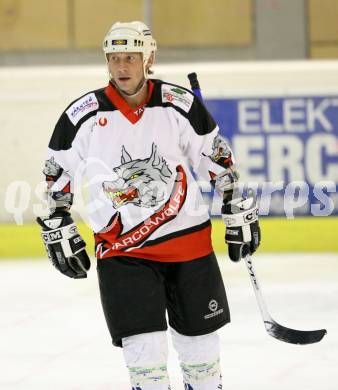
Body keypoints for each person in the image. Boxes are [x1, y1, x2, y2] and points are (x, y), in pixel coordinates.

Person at [37, 21, 261, 390]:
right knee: (146, 358)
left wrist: (233, 200)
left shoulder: (178, 103)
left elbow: (217, 160)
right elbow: (57, 171)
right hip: (123, 251)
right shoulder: (83, 114)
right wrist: (60, 216)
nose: (122, 67)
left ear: (149, 59)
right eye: (114, 59)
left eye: (130, 58)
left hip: (188, 242)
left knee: (202, 356)